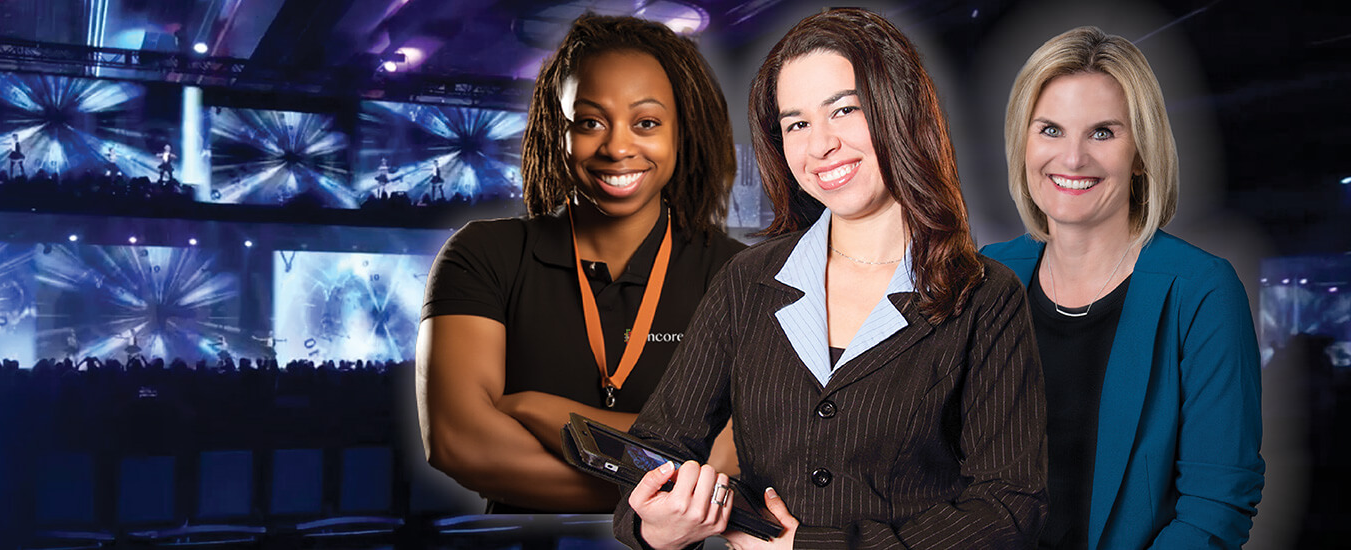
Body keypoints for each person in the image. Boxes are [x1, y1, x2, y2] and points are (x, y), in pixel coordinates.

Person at [614, 8, 1046, 548]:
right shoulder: (747, 282)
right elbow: (654, 448)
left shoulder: (985, 296)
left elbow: (1010, 506)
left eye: (843, 110)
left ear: (900, 111)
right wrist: (657, 526)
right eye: (796, 123)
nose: (819, 145)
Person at [419, 13, 747, 513]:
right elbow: (459, 442)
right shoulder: (482, 255)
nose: (617, 147)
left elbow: (747, 449)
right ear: (559, 130)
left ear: (682, 131)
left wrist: (536, 410)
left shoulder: (743, 276)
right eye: (590, 122)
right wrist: (664, 493)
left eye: (646, 123)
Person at [980, 27, 1262, 550]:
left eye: (1103, 133)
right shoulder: (987, 276)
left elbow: (1216, 506)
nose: (1072, 158)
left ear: (1141, 151)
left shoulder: (1201, 291)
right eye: (1050, 130)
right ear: (1023, 141)